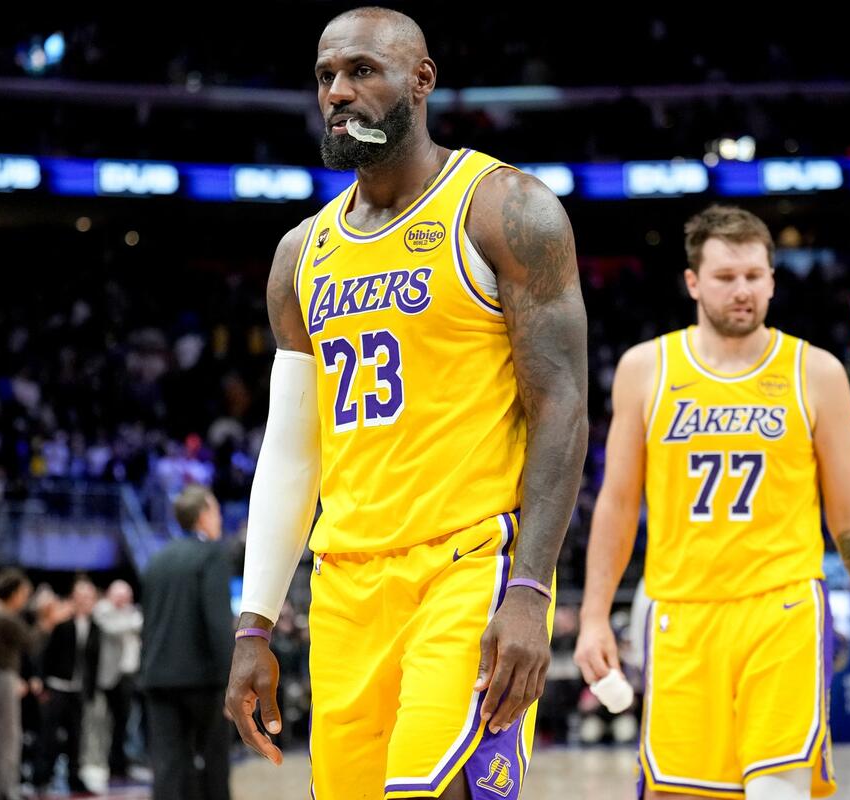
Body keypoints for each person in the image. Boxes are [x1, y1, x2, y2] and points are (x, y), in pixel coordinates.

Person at [224, 7, 588, 799]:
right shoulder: (300, 255)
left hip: (467, 564)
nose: (338, 93)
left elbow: (562, 407)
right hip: (345, 584)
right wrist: (255, 621)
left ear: (421, 81)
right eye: (326, 76)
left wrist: (530, 591)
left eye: (362, 71)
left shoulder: (504, 208)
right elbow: (291, 449)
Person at [573, 205, 850, 800]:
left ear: (773, 281)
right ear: (693, 282)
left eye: (754, 275)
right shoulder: (646, 369)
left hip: (783, 608)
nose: (742, 290)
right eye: (726, 277)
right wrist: (595, 616)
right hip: (681, 612)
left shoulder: (816, 373)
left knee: (778, 790)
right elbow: (618, 505)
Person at [141, 487, 233, 800]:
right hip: (202, 679)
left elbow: (148, 623)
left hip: (158, 677)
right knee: (213, 762)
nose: (219, 519)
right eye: (216, 511)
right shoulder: (212, 555)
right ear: (203, 515)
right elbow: (217, 622)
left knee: (167, 764)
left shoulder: (157, 560)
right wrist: (231, 679)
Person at [36, 576, 101, 795]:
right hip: (57, 686)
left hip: (78, 689)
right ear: (73, 598)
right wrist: (43, 682)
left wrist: (90, 691)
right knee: (49, 735)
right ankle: (42, 778)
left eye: (88, 597)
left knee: (76, 738)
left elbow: (93, 662)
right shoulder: (62, 624)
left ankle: (75, 778)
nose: (84, 601)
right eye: (80, 596)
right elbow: (47, 654)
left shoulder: (95, 628)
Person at [0, 568, 35, 800]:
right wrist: (46, 622)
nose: (25, 599)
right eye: (23, 593)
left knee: (4, 732)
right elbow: (31, 642)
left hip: (4, 675)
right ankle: (5, 788)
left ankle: (5, 786)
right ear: (13, 594)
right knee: (7, 734)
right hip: (2, 676)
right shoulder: (4, 617)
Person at [94, 579, 142, 780]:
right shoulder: (103, 609)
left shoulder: (131, 613)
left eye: (127, 597)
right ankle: (106, 762)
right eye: (120, 597)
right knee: (106, 723)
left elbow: (140, 623)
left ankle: (122, 762)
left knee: (127, 722)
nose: (124, 601)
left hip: (130, 675)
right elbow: (113, 629)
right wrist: (131, 621)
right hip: (110, 677)